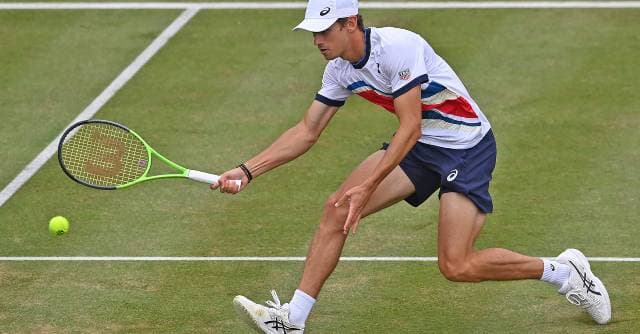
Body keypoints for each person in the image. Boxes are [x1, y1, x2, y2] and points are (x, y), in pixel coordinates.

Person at [211, 0, 611, 332]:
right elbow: (307, 130)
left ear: (351, 23)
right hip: (420, 148)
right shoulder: (338, 70)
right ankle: (292, 320)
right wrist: (247, 170)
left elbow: (411, 124)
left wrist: (369, 187)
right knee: (337, 209)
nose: (317, 40)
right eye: (313, 32)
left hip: (465, 148)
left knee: (457, 265)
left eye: (324, 30)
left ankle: (564, 272)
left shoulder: (398, 47)